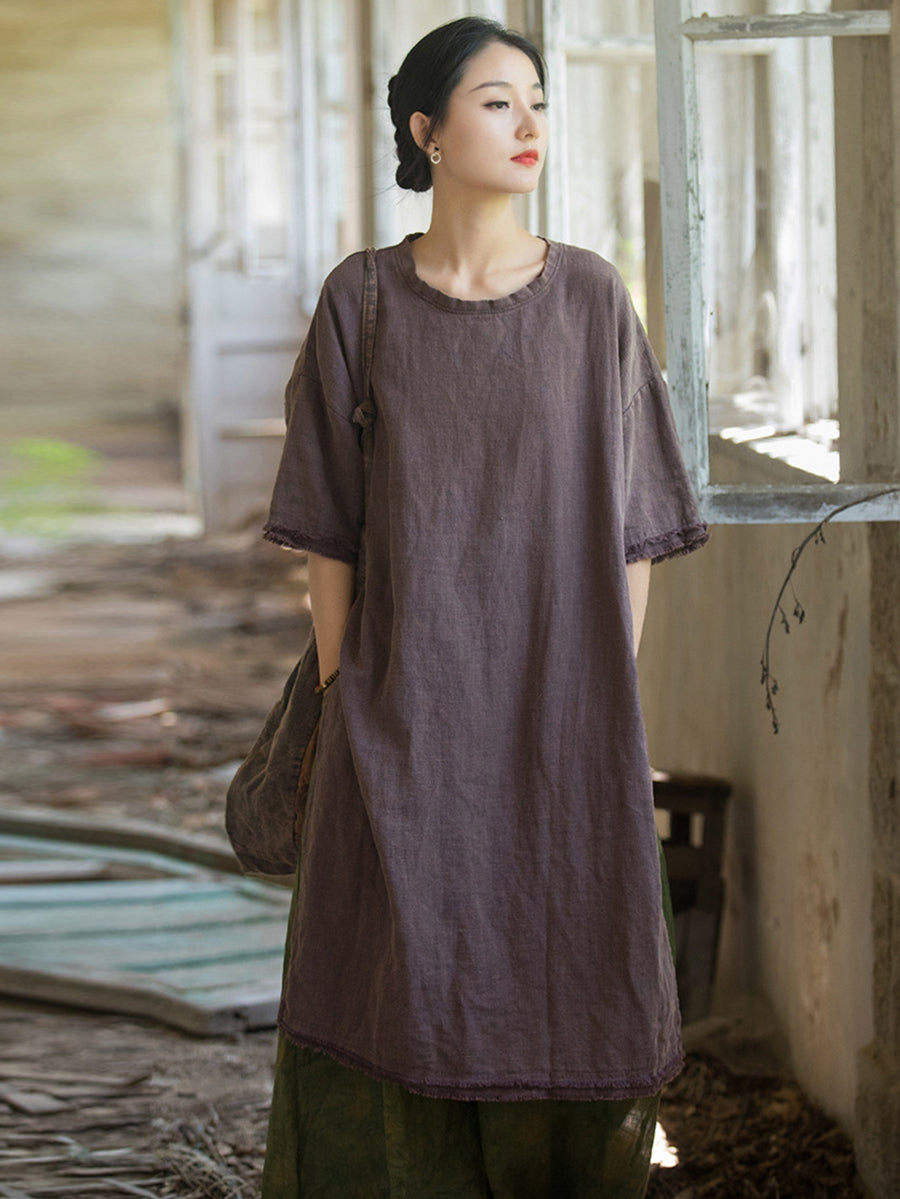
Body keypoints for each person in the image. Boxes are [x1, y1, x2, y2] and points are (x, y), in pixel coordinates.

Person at [259, 16, 708, 1198]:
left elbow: (636, 529)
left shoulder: (591, 299)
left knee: (566, 955)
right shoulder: (362, 300)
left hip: (561, 708)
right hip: (401, 701)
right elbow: (329, 531)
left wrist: (602, 693)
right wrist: (347, 693)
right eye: (498, 102)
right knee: (395, 968)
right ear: (427, 129)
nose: (529, 125)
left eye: (539, 101)